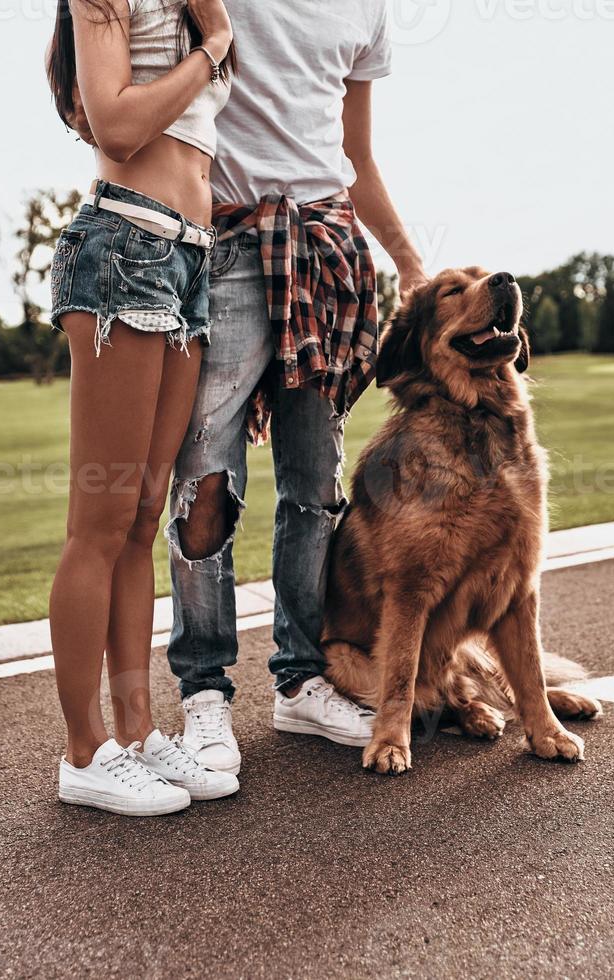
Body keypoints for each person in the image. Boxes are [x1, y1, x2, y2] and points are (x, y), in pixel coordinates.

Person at [164, 0, 429, 775]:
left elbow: (357, 156)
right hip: (231, 243)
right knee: (206, 476)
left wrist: (408, 261)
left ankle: (300, 679)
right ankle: (205, 693)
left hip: (330, 250)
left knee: (316, 486)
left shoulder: (366, 9)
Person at [47, 0, 240, 815]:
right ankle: (83, 750)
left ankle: (134, 733)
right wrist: (215, 49)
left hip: (189, 262)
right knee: (101, 516)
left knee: (143, 512)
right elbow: (116, 127)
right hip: (128, 246)